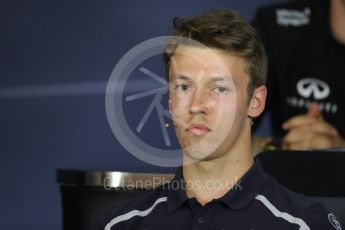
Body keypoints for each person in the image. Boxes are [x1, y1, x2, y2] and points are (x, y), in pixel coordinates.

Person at [92, 9, 342, 229]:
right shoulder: (119, 224)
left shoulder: (304, 224)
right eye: (184, 87)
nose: (197, 105)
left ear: (255, 102)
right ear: (170, 100)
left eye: (219, 88)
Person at [252, 0, 345, 150]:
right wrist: (280, 148)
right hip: (288, 171)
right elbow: (219, 136)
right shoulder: (277, 26)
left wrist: (340, 153)